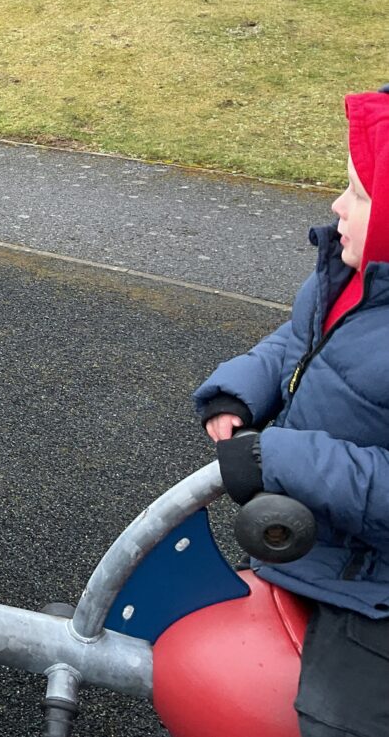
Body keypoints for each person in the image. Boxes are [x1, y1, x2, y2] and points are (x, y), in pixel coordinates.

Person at [194, 89, 389, 737]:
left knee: (337, 720)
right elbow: (301, 343)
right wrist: (239, 390)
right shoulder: (355, 279)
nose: (337, 205)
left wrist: (278, 456)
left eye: (358, 193)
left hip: (375, 582)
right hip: (332, 543)